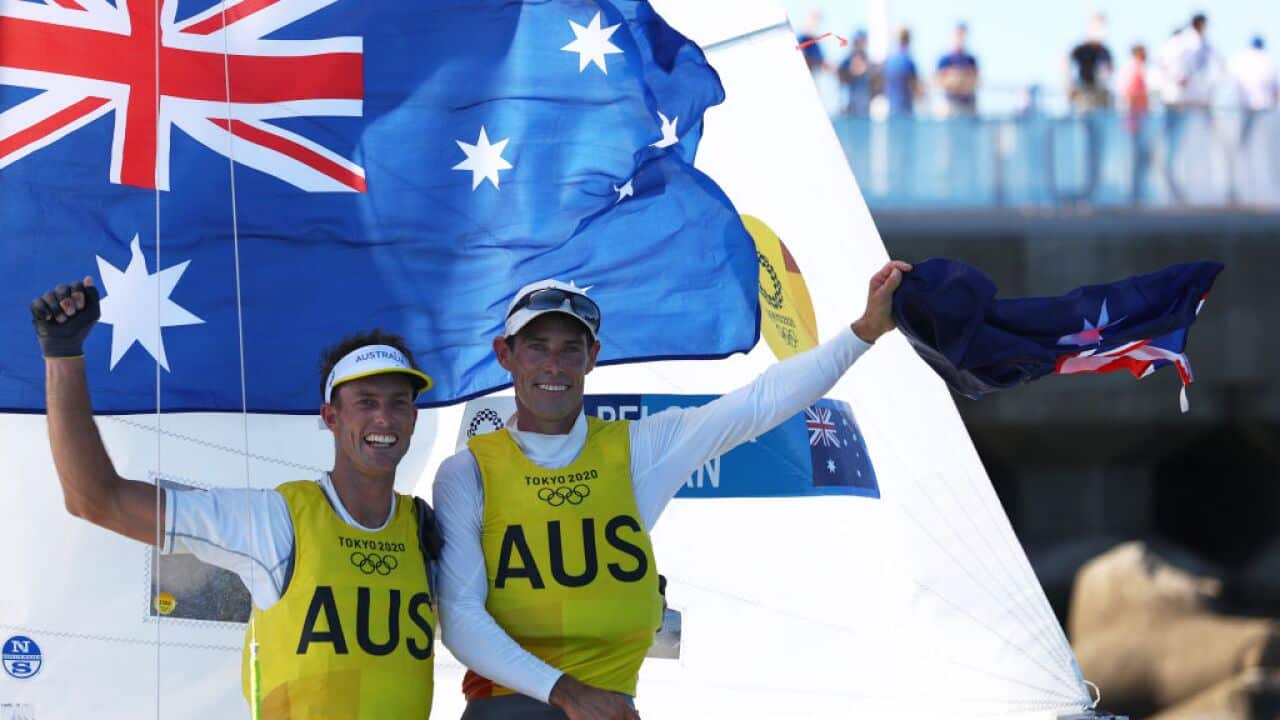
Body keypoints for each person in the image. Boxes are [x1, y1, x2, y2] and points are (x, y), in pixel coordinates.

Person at [434, 261, 913, 720]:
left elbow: (760, 402)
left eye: (570, 349)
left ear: (592, 358)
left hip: (612, 708)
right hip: (510, 710)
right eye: (537, 347)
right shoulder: (468, 472)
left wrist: (865, 331)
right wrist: (570, 695)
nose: (554, 365)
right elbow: (460, 618)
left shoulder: (640, 448)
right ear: (505, 355)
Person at [30, 277, 443, 719]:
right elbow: (96, 499)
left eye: (399, 402)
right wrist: (62, 354)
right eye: (365, 401)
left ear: (414, 417)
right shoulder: (276, 519)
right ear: (330, 416)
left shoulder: (427, 528)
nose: (384, 417)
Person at [1156, 14, 1223, 202]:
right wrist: (1179, 79)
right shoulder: (1182, 43)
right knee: (1172, 148)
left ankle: (1185, 188)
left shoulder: (1200, 44)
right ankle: (1172, 188)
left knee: (1189, 147)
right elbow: (1167, 65)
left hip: (1193, 102)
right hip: (1179, 101)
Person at [1067, 12, 1114, 203]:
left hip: (1101, 100)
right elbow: (1065, 62)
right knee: (1083, 146)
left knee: (1099, 147)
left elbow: (1110, 73)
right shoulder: (1082, 49)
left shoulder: (1105, 51)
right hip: (1086, 99)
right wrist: (1070, 87)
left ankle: (1096, 188)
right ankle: (1081, 191)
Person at [1119, 44, 1152, 204]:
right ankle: (1134, 193)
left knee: (1141, 159)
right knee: (1136, 159)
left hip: (1139, 122)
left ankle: (1137, 191)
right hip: (1135, 123)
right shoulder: (1133, 70)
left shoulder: (1137, 70)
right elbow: (1130, 95)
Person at [935, 21, 979, 117]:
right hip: (950, 103)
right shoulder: (945, 60)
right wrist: (954, 80)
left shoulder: (970, 60)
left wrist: (961, 81)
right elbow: (938, 81)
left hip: (966, 104)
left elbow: (975, 81)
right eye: (957, 34)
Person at [837, 29, 874, 117]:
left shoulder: (867, 60)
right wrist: (855, 72)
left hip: (864, 107)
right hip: (850, 105)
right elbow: (841, 78)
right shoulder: (847, 60)